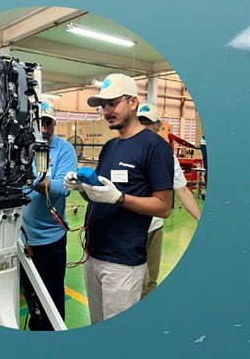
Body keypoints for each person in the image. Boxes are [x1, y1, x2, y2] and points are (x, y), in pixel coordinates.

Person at [65, 74, 174, 324]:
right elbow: (98, 196)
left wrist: (119, 198)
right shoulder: (110, 147)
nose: (106, 111)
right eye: (103, 106)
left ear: (133, 102)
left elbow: (164, 207)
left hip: (123, 263)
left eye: (112, 103)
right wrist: (81, 188)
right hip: (93, 256)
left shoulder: (154, 147)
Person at [20, 100, 77, 330]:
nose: (44, 129)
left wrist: (29, 179)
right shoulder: (22, 148)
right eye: (39, 123)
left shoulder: (64, 150)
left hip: (51, 238)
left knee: (52, 298)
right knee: (31, 297)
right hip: (23, 239)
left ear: (54, 124)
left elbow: (63, 188)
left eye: (48, 123)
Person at [136, 102, 201, 297]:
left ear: (158, 126)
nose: (144, 127)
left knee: (150, 282)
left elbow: (181, 190)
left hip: (154, 227)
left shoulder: (166, 156)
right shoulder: (125, 149)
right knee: (133, 280)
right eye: (140, 122)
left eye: (148, 123)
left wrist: (200, 217)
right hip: (130, 229)